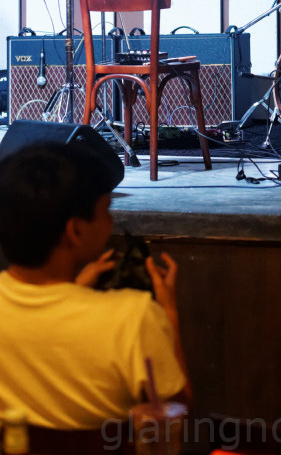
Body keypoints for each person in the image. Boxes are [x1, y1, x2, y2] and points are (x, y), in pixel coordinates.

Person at [0, 141, 189, 429]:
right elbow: (179, 413)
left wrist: (74, 288)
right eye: (106, 210)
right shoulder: (134, 317)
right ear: (75, 230)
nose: (111, 221)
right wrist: (168, 313)